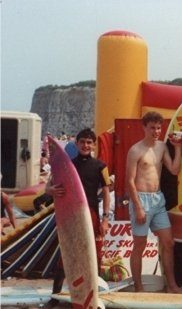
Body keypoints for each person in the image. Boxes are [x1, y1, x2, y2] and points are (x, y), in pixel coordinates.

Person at [45, 128, 111, 307]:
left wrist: (105, 219)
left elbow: (106, 193)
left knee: (94, 256)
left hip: (92, 215)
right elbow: (48, 186)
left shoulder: (101, 166)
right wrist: (50, 190)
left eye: (89, 142)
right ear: (77, 144)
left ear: (93, 145)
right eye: (82, 142)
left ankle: (94, 297)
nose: (85, 145)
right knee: (66, 254)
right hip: (71, 217)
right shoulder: (69, 166)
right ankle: (55, 294)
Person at [126, 111, 182, 293]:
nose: (156, 131)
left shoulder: (162, 147)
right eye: (152, 128)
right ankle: (139, 288)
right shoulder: (135, 150)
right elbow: (129, 181)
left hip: (158, 200)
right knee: (140, 245)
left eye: (159, 128)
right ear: (144, 127)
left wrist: (178, 147)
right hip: (141, 199)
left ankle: (172, 285)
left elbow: (174, 170)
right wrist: (139, 207)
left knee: (168, 242)